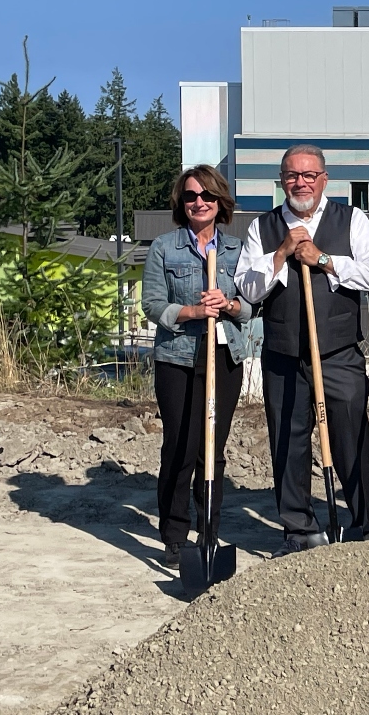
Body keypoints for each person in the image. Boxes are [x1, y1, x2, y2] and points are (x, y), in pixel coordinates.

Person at [235, 144, 369, 557]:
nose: (301, 183)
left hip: (338, 352)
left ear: (324, 179)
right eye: (292, 175)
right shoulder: (262, 227)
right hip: (284, 354)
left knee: (351, 435)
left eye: (309, 175)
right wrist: (281, 253)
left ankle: (361, 524)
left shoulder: (351, 219)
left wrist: (323, 259)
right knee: (289, 440)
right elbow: (247, 288)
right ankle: (299, 529)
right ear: (282, 181)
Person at [142, 165, 251, 568]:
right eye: (191, 196)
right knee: (180, 446)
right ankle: (174, 535)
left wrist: (230, 305)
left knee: (212, 449)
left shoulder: (238, 250)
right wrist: (192, 311)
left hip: (223, 357)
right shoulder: (164, 247)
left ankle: (209, 532)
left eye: (207, 195)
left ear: (220, 202)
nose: (199, 202)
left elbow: (251, 306)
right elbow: (152, 304)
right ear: (181, 203)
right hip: (177, 358)